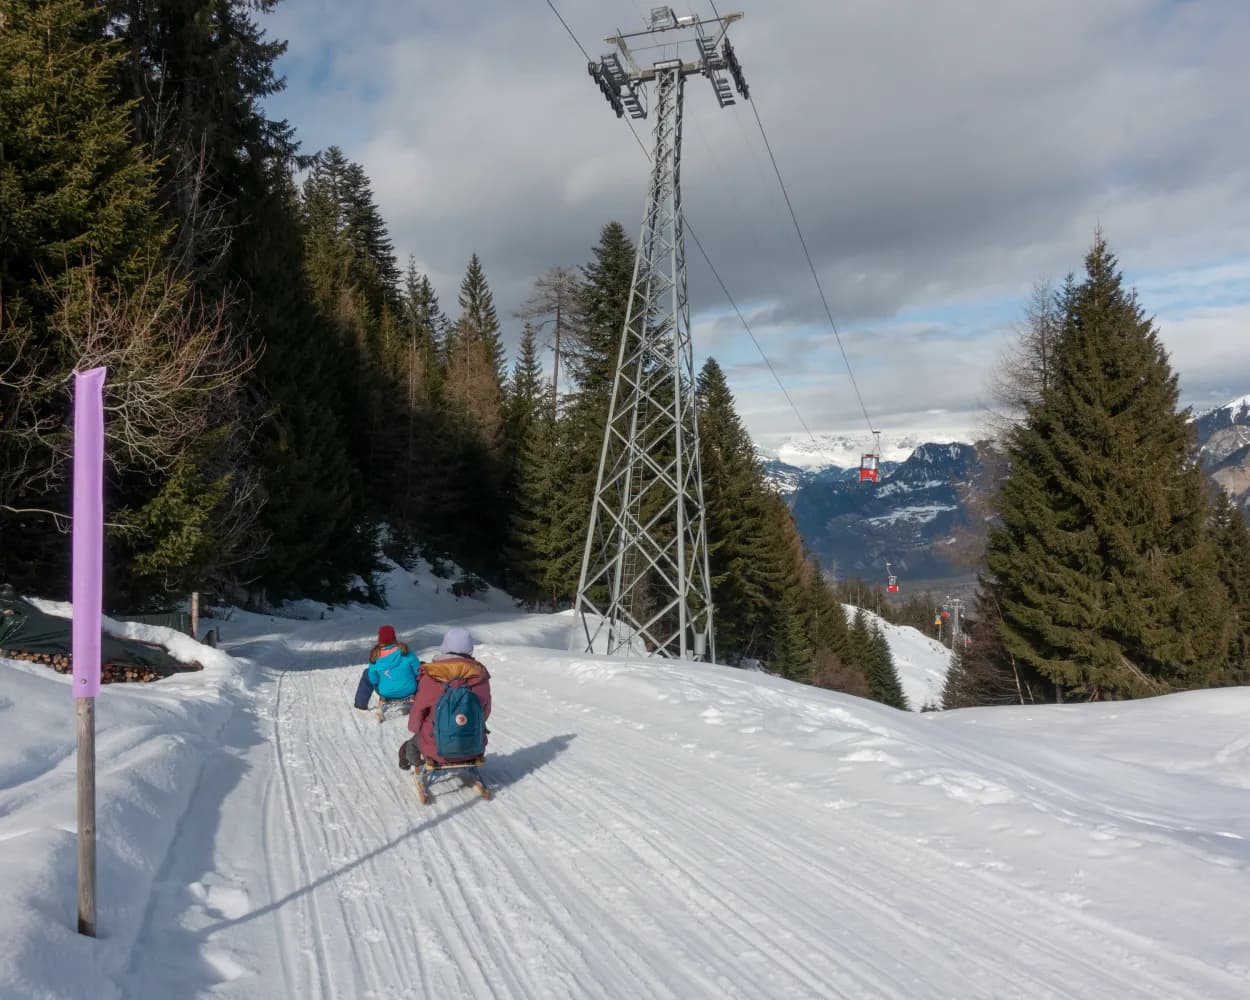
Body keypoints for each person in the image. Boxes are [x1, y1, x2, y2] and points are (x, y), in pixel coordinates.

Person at [398, 626, 491, 770]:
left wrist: (416, 729)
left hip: (437, 749)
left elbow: (418, 711)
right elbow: (485, 711)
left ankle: (406, 756)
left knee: (413, 744)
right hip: (474, 745)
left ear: (445, 647)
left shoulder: (431, 676)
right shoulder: (480, 676)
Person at [353, 625, 420, 710]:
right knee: (421, 668)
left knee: (367, 673)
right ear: (394, 637)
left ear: (380, 639)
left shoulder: (375, 656)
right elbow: (418, 672)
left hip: (386, 693)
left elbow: (374, 680)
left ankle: (360, 704)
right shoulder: (406, 652)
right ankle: (426, 701)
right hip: (409, 690)